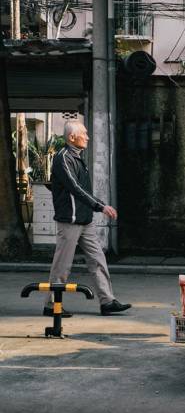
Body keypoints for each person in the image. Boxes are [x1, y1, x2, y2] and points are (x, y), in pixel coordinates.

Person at [44, 120, 131, 317]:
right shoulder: (63, 158)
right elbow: (75, 188)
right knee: (62, 264)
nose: (88, 137)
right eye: (84, 133)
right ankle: (51, 305)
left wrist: (97, 207)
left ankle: (107, 301)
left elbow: (84, 191)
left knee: (98, 259)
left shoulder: (78, 157)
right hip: (70, 220)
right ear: (72, 137)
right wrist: (101, 206)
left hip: (85, 220)